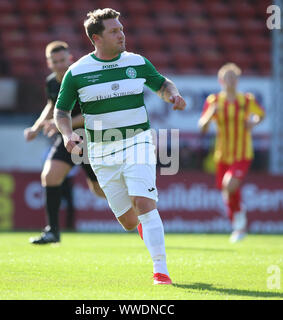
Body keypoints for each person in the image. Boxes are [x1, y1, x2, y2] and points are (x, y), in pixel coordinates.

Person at [53, 8, 186, 285]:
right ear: (96, 38)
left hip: (138, 141)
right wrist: (67, 134)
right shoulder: (77, 72)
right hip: (101, 152)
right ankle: (144, 231)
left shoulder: (136, 62)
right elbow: (61, 111)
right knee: (128, 220)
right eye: (114, 31)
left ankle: (161, 270)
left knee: (144, 203)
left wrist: (172, 94)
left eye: (121, 29)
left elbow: (162, 84)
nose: (121, 34)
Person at [24, 41, 105, 245]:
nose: (60, 65)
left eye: (63, 60)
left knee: (99, 189)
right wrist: (36, 127)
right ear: (49, 63)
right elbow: (52, 104)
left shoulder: (81, 79)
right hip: (68, 138)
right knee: (50, 176)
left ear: (70, 59)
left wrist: (57, 122)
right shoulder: (51, 82)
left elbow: (90, 116)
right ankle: (52, 232)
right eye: (55, 61)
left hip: (90, 138)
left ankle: (139, 211)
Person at [198, 63, 265, 243]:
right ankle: (239, 224)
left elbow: (261, 114)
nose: (231, 81)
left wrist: (253, 122)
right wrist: (210, 114)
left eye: (234, 78)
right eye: (227, 78)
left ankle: (240, 219)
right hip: (222, 154)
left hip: (242, 153)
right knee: (227, 192)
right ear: (221, 81)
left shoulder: (247, 100)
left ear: (238, 80)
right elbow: (202, 127)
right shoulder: (214, 101)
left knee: (230, 185)